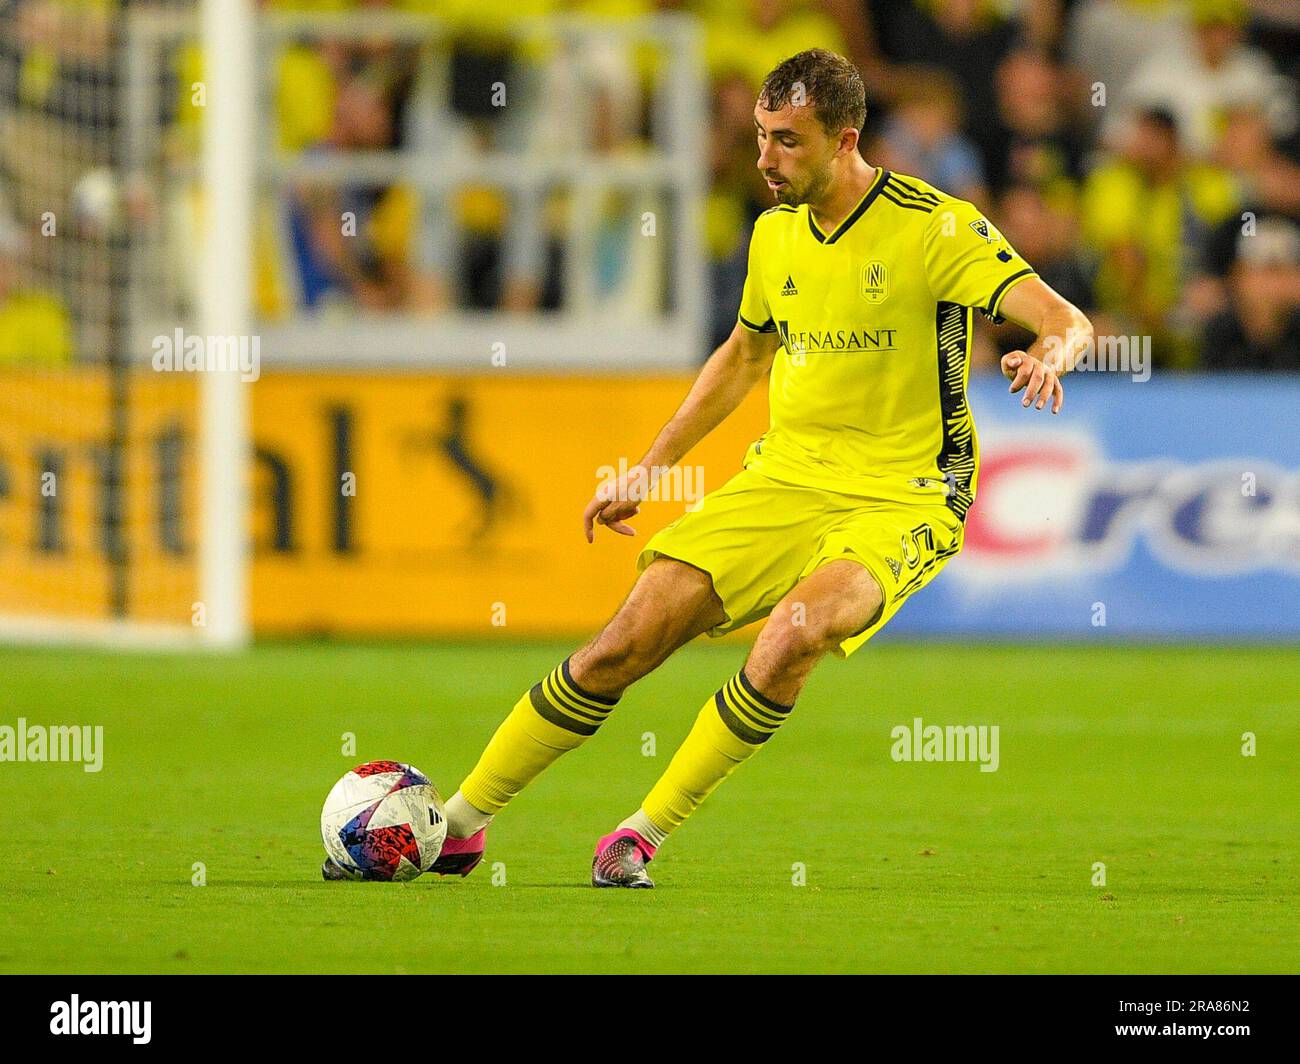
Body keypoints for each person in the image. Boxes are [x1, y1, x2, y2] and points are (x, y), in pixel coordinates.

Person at [327, 48, 1093, 888]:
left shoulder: (934, 227)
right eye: (762, 137)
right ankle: (462, 825)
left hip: (904, 496)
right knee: (626, 639)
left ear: (847, 139)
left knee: (792, 636)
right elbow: (740, 360)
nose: (764, 160)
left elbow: (1063, 316)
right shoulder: (773, 235)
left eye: (788, 142)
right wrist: (647, 470)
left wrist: (1050, 354)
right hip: (783, 481)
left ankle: (640, 833)